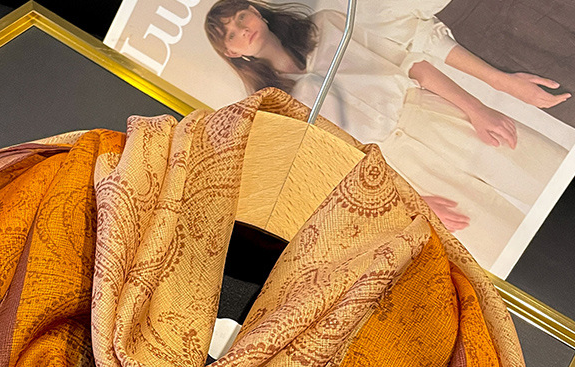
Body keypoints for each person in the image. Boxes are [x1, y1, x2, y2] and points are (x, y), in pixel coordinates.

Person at [204, 1, 568, 269]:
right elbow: (333, 175)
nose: (242, 29)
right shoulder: (275, 109)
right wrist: (408, 203)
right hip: (400, 173)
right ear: (232, 53)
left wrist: (477, 109)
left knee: (542, 169)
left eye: (241, 17)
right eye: (231, 34)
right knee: (495, 235)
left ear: (257, 11)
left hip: (430, 113)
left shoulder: (326, 25)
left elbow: (411, 64)